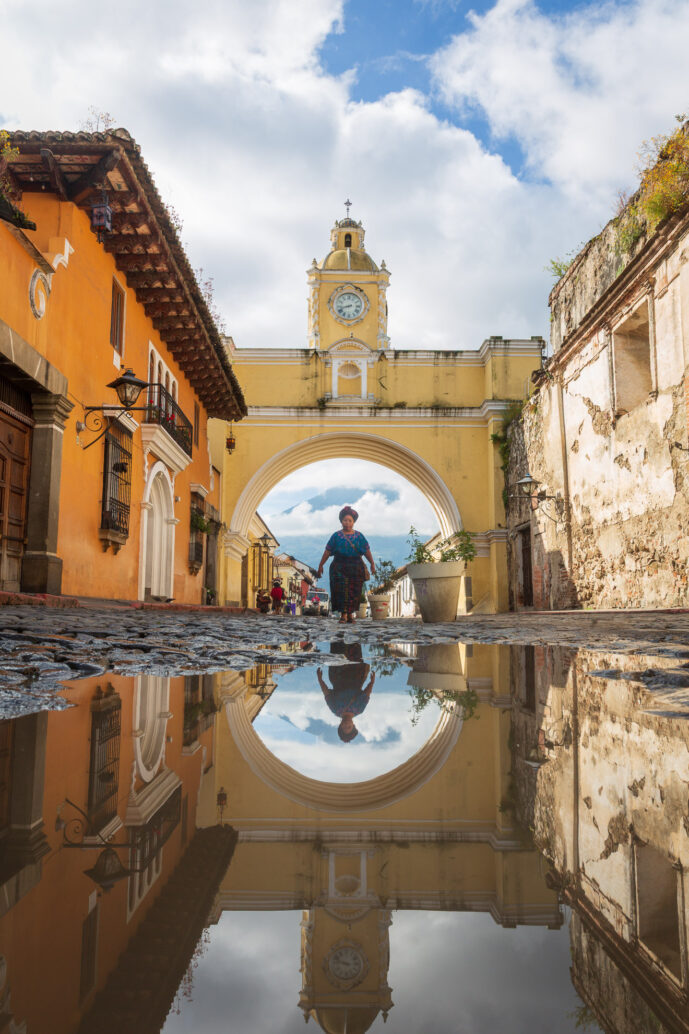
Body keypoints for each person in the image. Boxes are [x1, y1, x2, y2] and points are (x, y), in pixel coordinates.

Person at [316, 506, 376, 624]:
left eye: (350, 520)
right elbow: (327, 551)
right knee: (340, 590)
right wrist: (320, 565)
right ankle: (343, 615)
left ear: (353, 522)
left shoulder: (359, 536)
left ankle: (350, 615)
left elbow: (366, 551)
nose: (347, 523)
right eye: (345, 520)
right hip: (339, 566)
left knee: (354, 591)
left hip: (356, 567)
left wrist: (372, 564)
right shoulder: (336, 536)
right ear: (341, 521)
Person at [317, 642, 375, 742]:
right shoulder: (359, 709)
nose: (346, 725)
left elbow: (327, 694)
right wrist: (372, 682)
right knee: (354, 645)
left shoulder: (335, 709)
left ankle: (337, 628)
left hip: (337, 672)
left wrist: (320, 679)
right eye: (349, 727)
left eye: (344, 728)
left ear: (340, 725)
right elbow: (366, 694)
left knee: (337, 646)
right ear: (353, 726)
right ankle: (353, 628)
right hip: (356, 672)